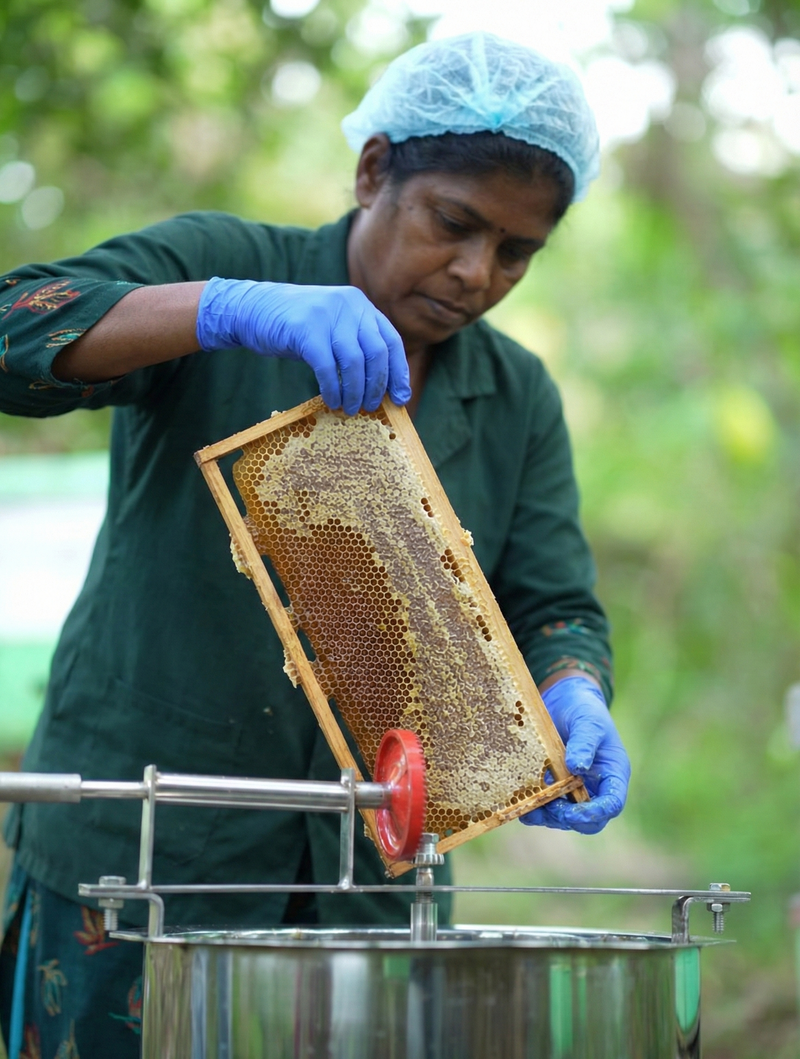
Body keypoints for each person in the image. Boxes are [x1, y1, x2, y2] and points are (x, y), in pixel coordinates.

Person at [0, 31, 630, 1057]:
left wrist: (574, 689)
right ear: (374, 168)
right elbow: (11, 331)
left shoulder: (513, 395)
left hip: (370, 888)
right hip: (143, 865)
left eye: (515, 251)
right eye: (454, 224)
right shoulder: (232, 267)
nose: (475, 272)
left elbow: (552, 600)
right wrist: (223, 312)